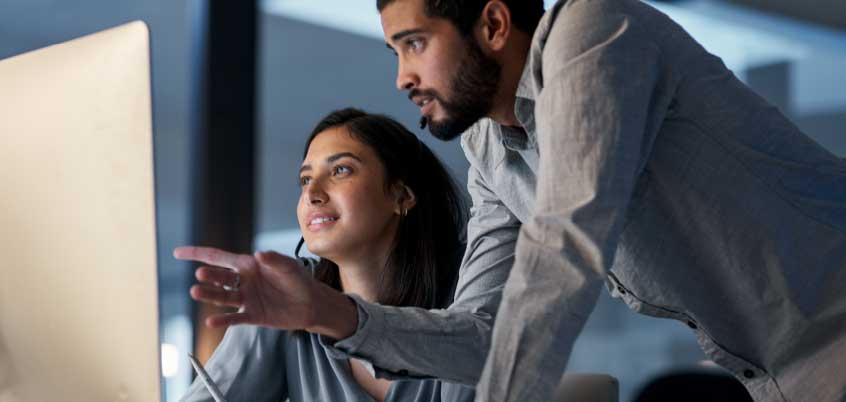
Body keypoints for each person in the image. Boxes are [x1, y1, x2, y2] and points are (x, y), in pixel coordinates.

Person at [373, 0, 846, 401]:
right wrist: (334, 315)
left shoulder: (594, 30)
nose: (400, 78)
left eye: (414, 44)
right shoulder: (488, 147)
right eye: (393, 52)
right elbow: (479, 337)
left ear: (493, 25)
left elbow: (565, 248)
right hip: (788, 379)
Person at [176, 108, 474, 402]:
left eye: (340, 170)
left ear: (401, 195)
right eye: (305, 179)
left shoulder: (472, 293)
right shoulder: (280, 294)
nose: (312, 193)